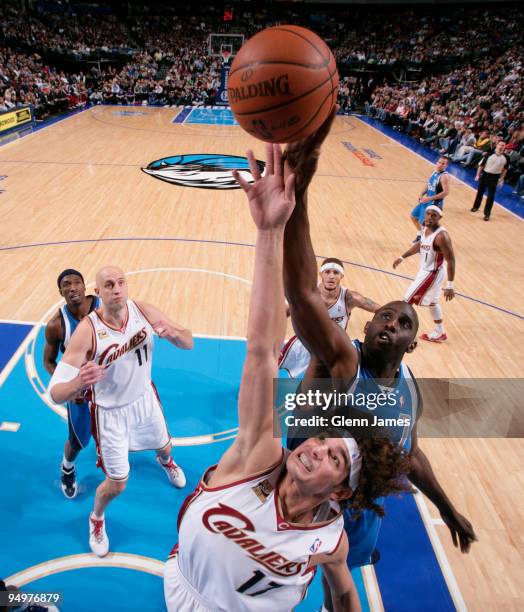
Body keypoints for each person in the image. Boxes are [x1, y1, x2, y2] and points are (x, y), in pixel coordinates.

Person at [164, 144, 411, 612]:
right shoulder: (259, 455)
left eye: (334, 458)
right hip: (184, 591)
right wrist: (269, 231)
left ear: (339, 492)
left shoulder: (330, 538)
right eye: (324, 441)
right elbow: (260, 351)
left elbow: (342, 593)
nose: (316, 446)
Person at [281, 111, 476, 610]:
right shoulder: (342, 363)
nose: (391, 321)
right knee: (280, 588)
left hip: (363, 511)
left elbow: (410, 453)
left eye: (403, 322)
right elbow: (304, 297)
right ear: (365, 328)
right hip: (309, 499)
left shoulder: (409, 388)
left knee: (337, 587)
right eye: (385, 316)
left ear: (412, 343)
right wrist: (297, 198)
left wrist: (448, 508)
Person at [49, 266, 193, 556]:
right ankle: (97, 518)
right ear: (99, 293)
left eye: (121, 283)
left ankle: (166, 462)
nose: (117, 288)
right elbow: (55, 392)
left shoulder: (143, 310)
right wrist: (79, 381)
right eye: (109, 284)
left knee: (165, 446)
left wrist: (174, 336)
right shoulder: (87, 332)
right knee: (117, 484)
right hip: (110, 414)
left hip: (144, 400)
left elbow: (188, 341)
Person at [43, 269, 101, 499]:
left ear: (84, 286)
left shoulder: (103, 307)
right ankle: (67, 468)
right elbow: (48, 361)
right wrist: (69, 385)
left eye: (77, 282)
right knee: (78, 441)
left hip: (110, 382)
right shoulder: (56, 325)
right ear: (61, 291)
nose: (73, 287)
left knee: (131, 426)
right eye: (67, 284)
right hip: (80, 389)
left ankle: (165, 457)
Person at [279, 258, 380, 378]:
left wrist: (374, 327)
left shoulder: (350, 298)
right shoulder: (308, 294)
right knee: (274, 367)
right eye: (327, 272)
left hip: (333, 349)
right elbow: (282, 314)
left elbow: (382, 310)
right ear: (321, 274)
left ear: (341, 276)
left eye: (336, 273)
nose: (331, 276)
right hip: (304, 343)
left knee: (328, 386)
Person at [393, 206, 455, 343]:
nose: (429, 217)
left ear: (440, 218)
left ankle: (397, 328)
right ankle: (440, 332)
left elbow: (451, 259)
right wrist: (402, 257)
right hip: (428, 270)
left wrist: (450, 285)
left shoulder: (442, 236)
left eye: (434, 215)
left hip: (432, 273)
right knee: (433, 303)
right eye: (428, 214)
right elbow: (420, 245)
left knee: (407, 300)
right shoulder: (425, 227)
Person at [410, 157, 450, 240]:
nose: (440, 165)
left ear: (446, 165)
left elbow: (446, 192)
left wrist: (430, 198)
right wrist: (421, 194)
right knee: (413, 217)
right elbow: (428, 184)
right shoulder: (434, 172)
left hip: (434, 203)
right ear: (436, 162)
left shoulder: (444, 176)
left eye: (443, 164)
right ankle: (420, 233)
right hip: (426, 201)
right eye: (439, 162)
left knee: (425, 224)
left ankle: (424, 242)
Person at [470, 140, 509, 221]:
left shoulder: (506, 158)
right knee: (480, 192)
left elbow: (505, 170)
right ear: (497, 145)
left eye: (503, 145)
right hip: (485, 175)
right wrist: (477, 175)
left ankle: (487, 214)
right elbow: (481, 166)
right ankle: (475, 207)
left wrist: (501, 179)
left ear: (505, 147)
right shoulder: (489, 154)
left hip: (495, 177)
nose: (501, 146)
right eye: (500, 145)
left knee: (491, 196)